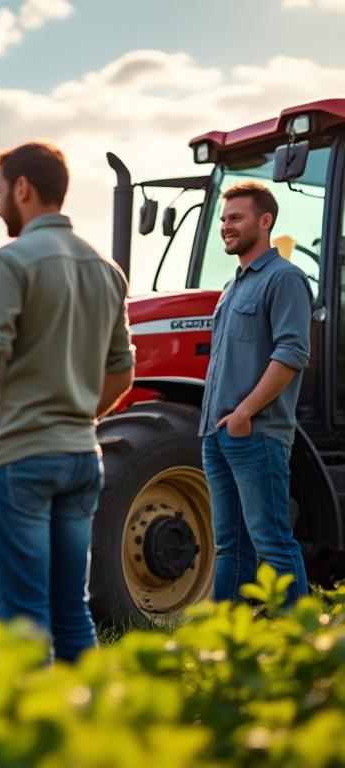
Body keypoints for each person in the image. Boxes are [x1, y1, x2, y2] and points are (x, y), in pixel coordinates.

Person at [0, 142, 134, 662]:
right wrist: (74, 416)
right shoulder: (105, 269)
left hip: (18, 461)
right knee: (71, 611)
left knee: (21, 622)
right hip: (81, 457)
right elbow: (122, 374)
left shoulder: (12, 262)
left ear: (23, 189)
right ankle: (84, 726)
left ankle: (33, 735)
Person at [199, 182, 311, 602]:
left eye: (236, 218)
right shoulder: (232, 287)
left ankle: (301, 651)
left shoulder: (284, 279)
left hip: (256, 434)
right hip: (217, 434)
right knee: (231, 549)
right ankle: (225, 645)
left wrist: (244, 413)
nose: (226, 226)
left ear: (265, 222)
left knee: (273, 545)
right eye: (224, 219)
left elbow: (292, 353)